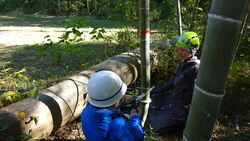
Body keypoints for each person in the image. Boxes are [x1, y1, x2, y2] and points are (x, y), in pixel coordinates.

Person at [149, 31, 200, 133]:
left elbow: (194, 94)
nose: (180, 53)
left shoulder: (196, 68)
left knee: (156, 126)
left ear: (193, 49)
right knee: (153, 100)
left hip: (182, 107)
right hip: (174, 99)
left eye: (183, 50)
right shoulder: (183, 62)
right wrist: (159, 90)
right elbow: (174, 82)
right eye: (178, 50)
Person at [81, 70, 144, 141]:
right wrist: (134, 115)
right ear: (116, 101)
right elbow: (138, 137)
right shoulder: (118, 123)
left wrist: (117, 111)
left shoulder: (85, 112)